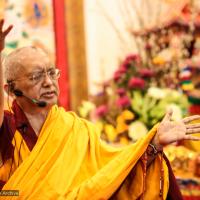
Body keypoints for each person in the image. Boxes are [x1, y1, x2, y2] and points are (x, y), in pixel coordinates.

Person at [0, 20, 200, 200]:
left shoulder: (77, 129)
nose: (48, 83)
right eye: (36, 76)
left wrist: (154, 144)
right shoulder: (7, 128)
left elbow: (109, 177)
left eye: (52, 73)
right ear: (10, 89)